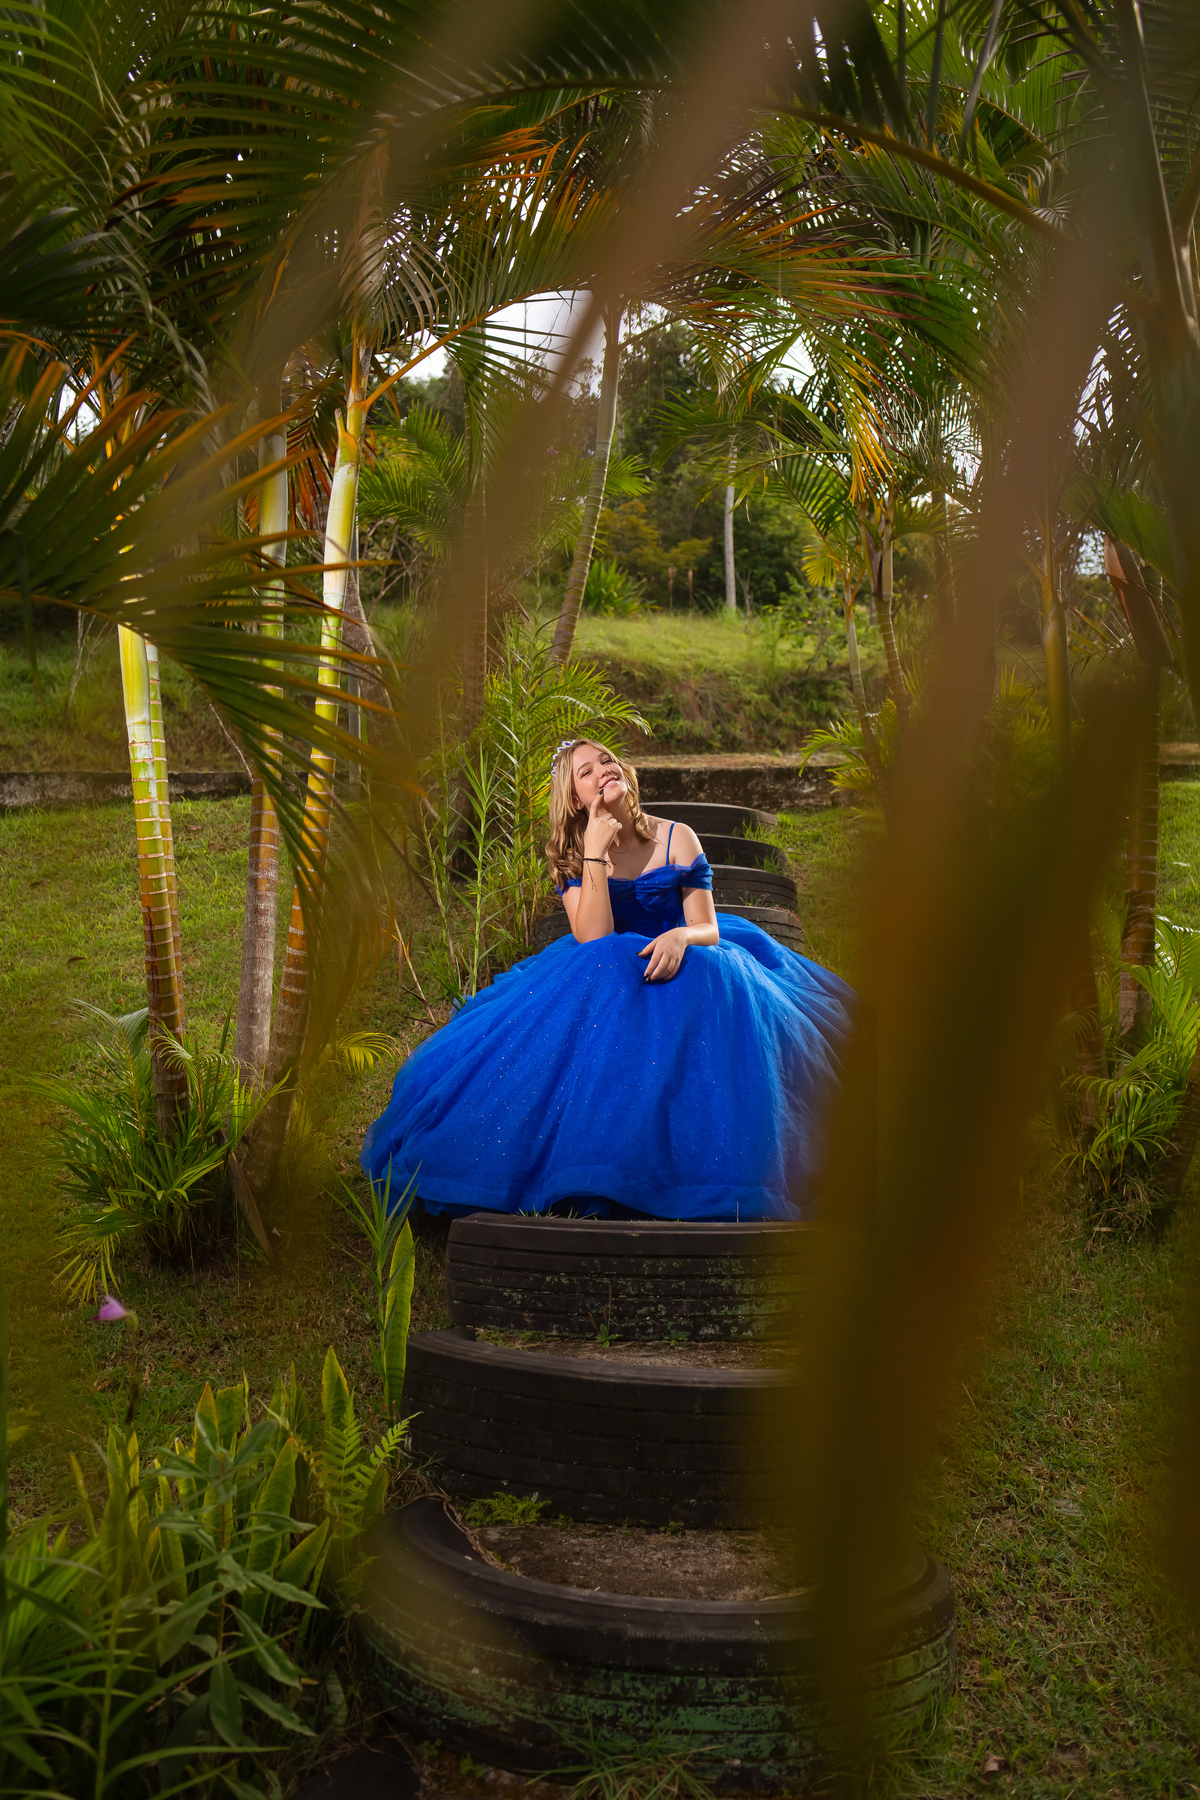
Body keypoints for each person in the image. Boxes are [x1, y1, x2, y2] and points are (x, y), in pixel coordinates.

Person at [360, 739, 854, 1220]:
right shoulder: (572, 854)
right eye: (587, 771)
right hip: (606, 975)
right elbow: (594, 938)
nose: (604, 770)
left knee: (715, 969)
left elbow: (708, 928)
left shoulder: (676, 836)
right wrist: (595, 850)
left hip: (682, 956)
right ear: (576, 798)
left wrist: (680, 936)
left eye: (607, 760)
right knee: (607, 962)